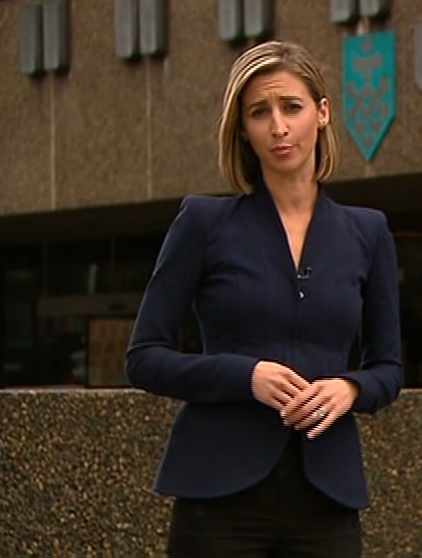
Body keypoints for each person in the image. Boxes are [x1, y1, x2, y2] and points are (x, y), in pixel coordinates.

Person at [126, 40, 403, 558]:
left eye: (291, 107)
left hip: (326, 495)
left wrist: (350, 388)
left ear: (322, 113)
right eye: (259, 112)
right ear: (243, 130)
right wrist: (246, 376)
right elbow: (144, 359)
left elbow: (388, 369)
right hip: (219, 496)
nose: (278, 127)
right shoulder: (203, 223)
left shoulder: (368, 233)